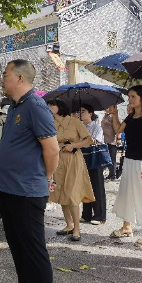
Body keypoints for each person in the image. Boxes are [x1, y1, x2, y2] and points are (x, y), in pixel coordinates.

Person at [0, 60, 59, 283]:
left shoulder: (36, 106)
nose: (2, 78)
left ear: (20, 78)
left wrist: (46, 178)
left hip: (27, 191)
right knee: (19, 248)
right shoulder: (14, 107)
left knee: (34, 250)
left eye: (5, 74)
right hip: (8, 188)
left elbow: (52, 150)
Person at [110, 85, 142, 247]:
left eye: (133, 96)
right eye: (129, 97)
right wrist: (115, 114)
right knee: (127, 194)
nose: (130, 99)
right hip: (129, 161)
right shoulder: (131, 117)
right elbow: (118, 130)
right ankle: (127, 227)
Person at [47, 98, 94, 241]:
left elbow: (89, 140)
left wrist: (73, 145)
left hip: (73, 159)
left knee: (72, 194)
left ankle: (77, 229)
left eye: (52, 105)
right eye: (48, 105)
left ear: (60, 107)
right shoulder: (50, 123)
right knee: (61, 191)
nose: (49, 107)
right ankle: (69, 225)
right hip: (58, 159)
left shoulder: (74, 122)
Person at [79, 104, 107, 225]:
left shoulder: (96, 127)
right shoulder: (79, 126)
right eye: (79, 111)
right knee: (85, 185)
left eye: (83, 111)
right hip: (83, 157)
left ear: (90, 113)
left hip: (95, 158)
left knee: (97, 186)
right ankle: (86, 214)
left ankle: (99, 215)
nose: (80, 113)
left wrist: (84, 140)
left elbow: (94, 141)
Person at [101, 105, 119, 181]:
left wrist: (118, 139)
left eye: (108, 107)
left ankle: (113, 175)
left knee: (112, 158)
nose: (106, 108)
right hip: (105, 140)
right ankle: (109, 173)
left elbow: (118, 129)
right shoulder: (106, 116)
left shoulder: (113, 116)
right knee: (106, 158)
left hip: (111, 140)